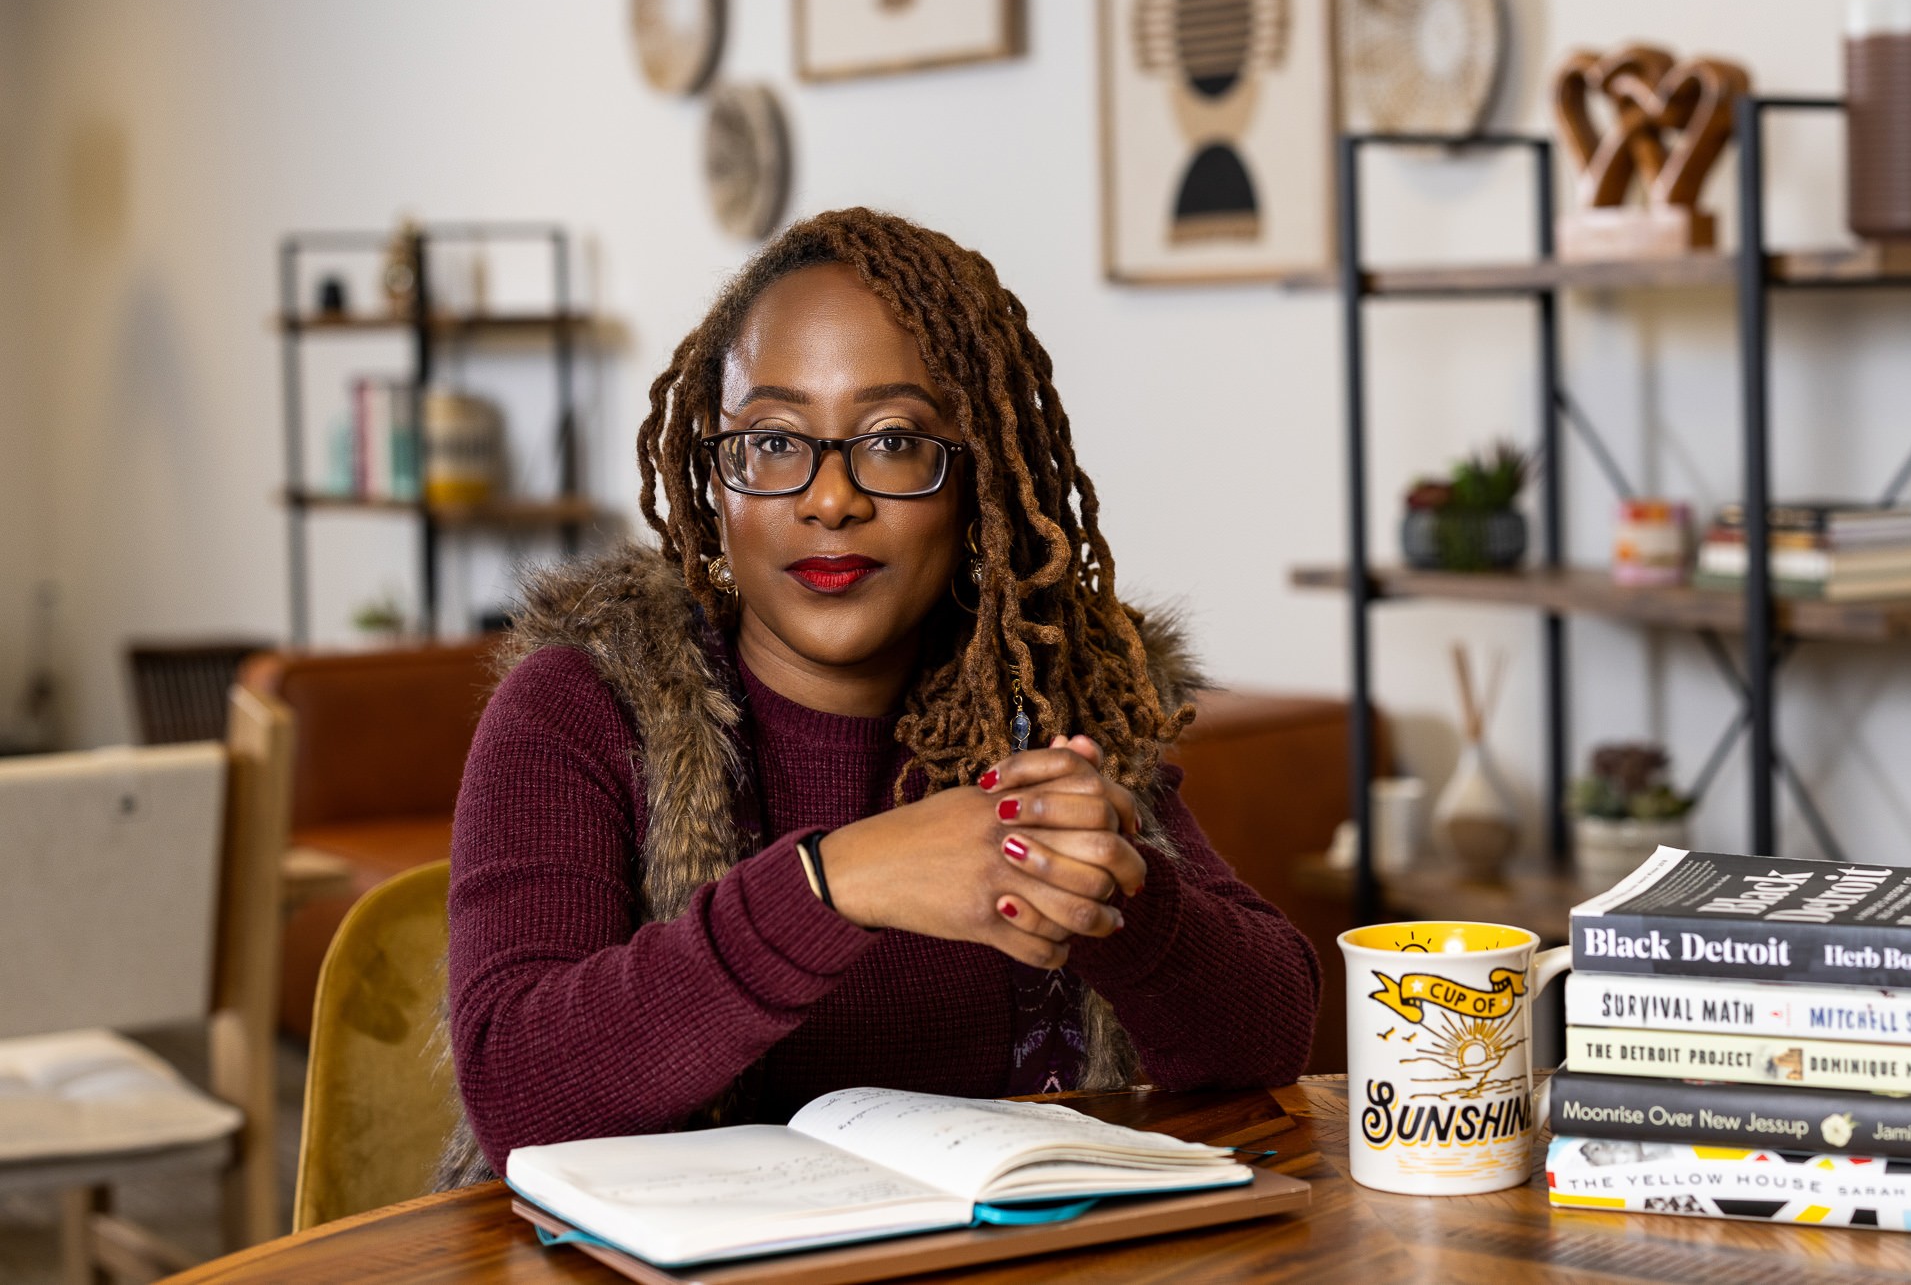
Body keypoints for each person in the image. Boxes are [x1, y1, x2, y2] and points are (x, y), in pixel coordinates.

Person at [440, 208, 1320, 1177]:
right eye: (773, 440)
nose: (830, 499)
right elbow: (514, 1089)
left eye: (894, 438)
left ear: (977, 481)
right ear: (716, 480)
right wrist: (835, 883)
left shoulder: (1049, 698)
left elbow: (1273, 1039)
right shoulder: (582, 706)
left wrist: (1116, 891)